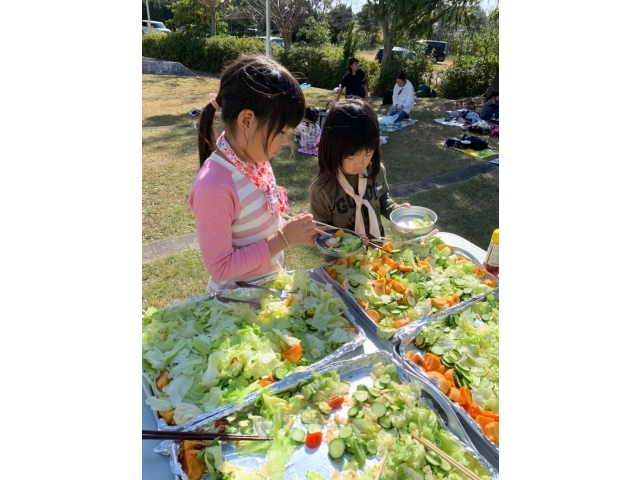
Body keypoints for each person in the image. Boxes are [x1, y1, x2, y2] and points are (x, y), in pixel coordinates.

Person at [190, 54, 317, 293]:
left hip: (269, 290)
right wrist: (284, 239)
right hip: (236, 306)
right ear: (247, 120)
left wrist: (293, 228)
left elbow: (263, 220)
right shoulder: (213, 186)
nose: (285, 140)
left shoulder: (256, 162)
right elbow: (221, 266)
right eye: (281, 131)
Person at [308, 99, 410, 242]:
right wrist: (348, 241)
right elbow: (321, 230)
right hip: (343, 260)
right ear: (332, 148)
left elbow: (383, 198)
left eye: (368, 153)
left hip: (377, 251)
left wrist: (397, 211)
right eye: (351, 156)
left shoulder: (376, 170)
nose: (361, 163)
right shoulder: (322, 189)